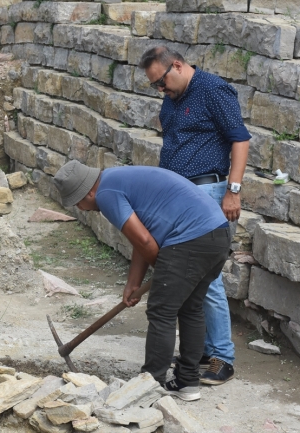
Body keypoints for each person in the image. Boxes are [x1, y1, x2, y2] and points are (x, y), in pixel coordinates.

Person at [53, 160, 231, 401]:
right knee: (191, 308)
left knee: (162, 311)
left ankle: (149, 386)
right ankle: (187, 382)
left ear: (89, 192)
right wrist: (133, 284)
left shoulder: (106, 194)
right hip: (217, 234)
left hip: (190, 237)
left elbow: (146, 243)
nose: (82, 209)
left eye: (78, 202)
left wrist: (169, 274)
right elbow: (142, 237)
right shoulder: (117, 179)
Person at [138, 46, 251, 385]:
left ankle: (222, 357)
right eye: (155, 86)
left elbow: (240, 140)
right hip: (176, 195)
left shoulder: (212, 89)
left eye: (161, 81)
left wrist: (233, 189)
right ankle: (199, 349)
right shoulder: (171, 97)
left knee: (208, 279)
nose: (160, 89)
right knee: (189, 278)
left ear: (177, 65)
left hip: (206, 193)